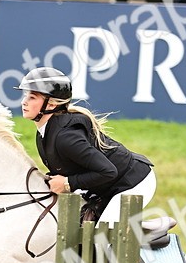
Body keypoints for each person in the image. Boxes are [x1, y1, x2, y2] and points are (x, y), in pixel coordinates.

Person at [16, 67, 156, 224]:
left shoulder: (65, 138)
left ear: (51, 104)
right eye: (26, 95)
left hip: (133, 182)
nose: (24, 102)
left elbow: (108, 171)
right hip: (107, 184)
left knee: (99, 239)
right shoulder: (45, 131)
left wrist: (68, 183)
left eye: (33, 97)